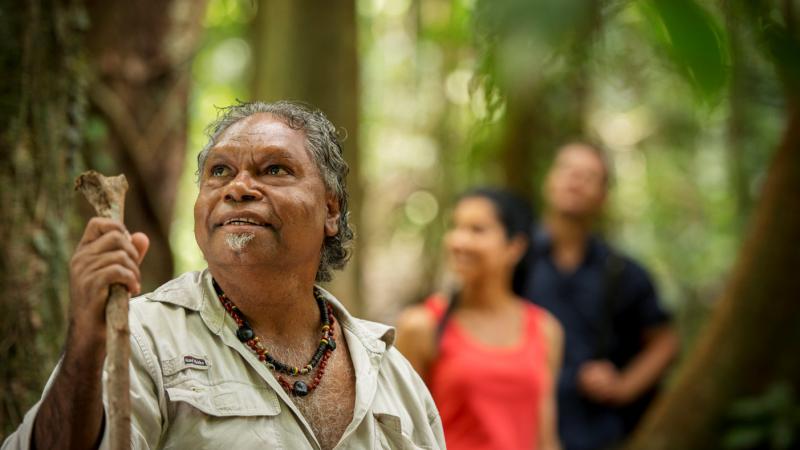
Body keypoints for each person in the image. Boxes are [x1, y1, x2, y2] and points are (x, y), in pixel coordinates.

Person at [3, 101, 445, 450]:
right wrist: (85, 339)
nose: (239, 187)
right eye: (220, 172)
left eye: (274, 169)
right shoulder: (142, 337)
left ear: (330, 210)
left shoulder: (390, 371)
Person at [522, 142, 679, 450]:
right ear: (548, 181)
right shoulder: (515, 259)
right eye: (567, 169)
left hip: (594, 432)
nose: (575, 180)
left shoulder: (622, 271)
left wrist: (622, 386)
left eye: (589, 176)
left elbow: (665, 341)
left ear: (604, 196)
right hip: (520, 424)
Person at [396, 188, 563, 450]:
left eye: (477, 230)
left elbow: (546, 438)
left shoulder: (545, 329)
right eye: (455, 227)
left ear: (515, 247)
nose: (458, 241)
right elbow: (402, 435)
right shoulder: (421, 326)